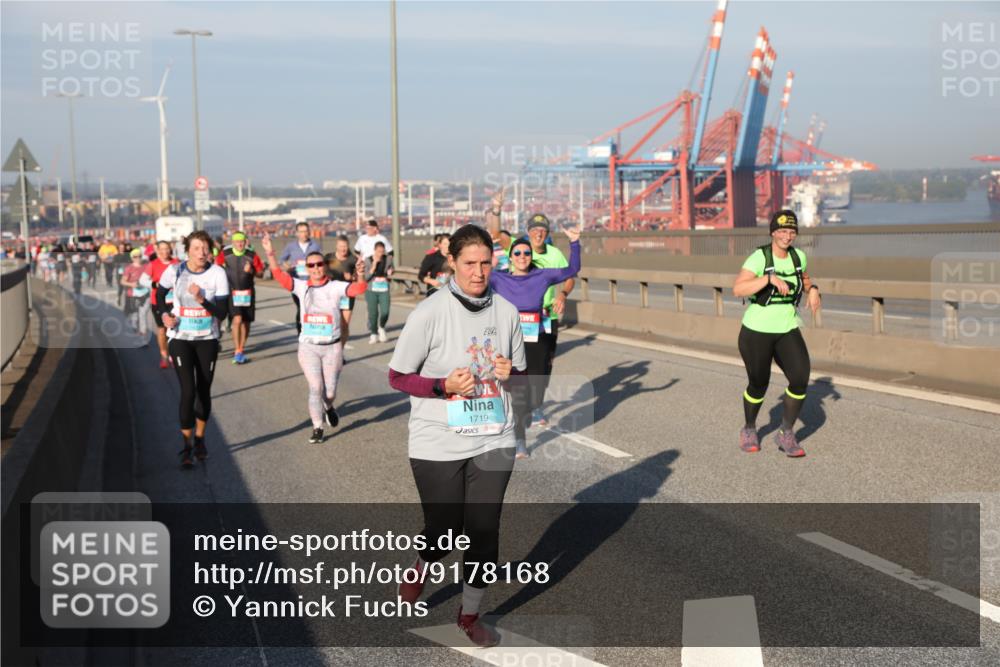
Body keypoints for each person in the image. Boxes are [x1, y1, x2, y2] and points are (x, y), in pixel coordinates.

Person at [387, 223, 525, 648]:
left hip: (492, 434)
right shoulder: (430, 312)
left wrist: (512, 373)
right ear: (451, 261)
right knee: (445, 530)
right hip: (438, 437)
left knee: (484, 528)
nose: (479, 272)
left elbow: (521, 378)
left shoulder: (507, 312)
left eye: (486, 263)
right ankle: (421, 566)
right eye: (470, 263)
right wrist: (442, 385)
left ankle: (468, 614)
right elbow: (397, 376)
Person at [261, 232, 368, 443]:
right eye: (311, 265)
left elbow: (359, 288)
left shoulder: (335, 287)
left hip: (332, 347)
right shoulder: (302, 287)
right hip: (308, 347)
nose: (316, 268)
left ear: (325, 266)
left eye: (319, 264)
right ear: (307, 268)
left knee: (329, 392)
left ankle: (329, 406)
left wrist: (362, 273)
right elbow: (278, 275)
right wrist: (270, 253)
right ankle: (317, 427)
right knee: (315, 387)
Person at [732, 209, 822, 458]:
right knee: (759, 383)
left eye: (792, 231)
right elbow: (738, 289)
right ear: (773, 232)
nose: (787, 236)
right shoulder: (759, 257)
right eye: (782, 231)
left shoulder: (798, 256)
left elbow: (803, 279)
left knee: (800, 377)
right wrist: (767, 280)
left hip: (787, 328)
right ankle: (749, 428)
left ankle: (786, 432)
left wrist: (813, 289)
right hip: (756, 331)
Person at [489, 226, 581, 458]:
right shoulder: (498, 278)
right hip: (510, 341)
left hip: (536, 337)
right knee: (518, 390)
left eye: (526, 253)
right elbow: (473, 274)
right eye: (517, 253)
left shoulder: (542, 276)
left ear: (532, 257)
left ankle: (532, 408)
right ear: (510, 257)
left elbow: (573, 269)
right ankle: (519, 440)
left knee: (537, 386)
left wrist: (575, 243)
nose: (522, 257)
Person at [155, 231, 230, 469]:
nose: (202, 253)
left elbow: (222, 313)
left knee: (203, 390)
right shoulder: (176, 271)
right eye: (196, 248)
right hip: (180, 338)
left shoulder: (218, 273)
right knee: (188, 392)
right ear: (187, 250)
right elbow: (158, 294)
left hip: (207, 339)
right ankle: (186, 446)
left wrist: (201, 300)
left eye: (205, 248)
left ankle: (200, 439)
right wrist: (164, 315)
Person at [522, 211, 575, 427]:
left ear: (547, 233)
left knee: (545, 364)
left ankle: (536, 405)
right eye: (534, 230)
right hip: (525, 316)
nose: (538, 234)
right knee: (525, 362)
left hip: (547, 315)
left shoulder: (554, 255)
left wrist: (562, 294)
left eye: (542, 230)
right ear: (528, 232)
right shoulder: (520, 252)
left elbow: (570, 277)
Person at [216, 231, 264, 364]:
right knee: (237, 320)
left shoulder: (252, 255)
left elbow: (261, 273)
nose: (240, 244)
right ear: (233, 242)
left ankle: (241, 347)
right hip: (232, 292)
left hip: (248, 293)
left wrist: (252, 271)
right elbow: (216, 268)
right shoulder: (225, 254)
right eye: (237, 241)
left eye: (242, 241)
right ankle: (237, 350)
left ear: (245, 242)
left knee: (246, 323)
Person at [278, 222, 323, 334]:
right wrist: (286, 266)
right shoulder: (291, 246)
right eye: (301, 231)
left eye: (306, 231)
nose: (304, 234)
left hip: (313, 282)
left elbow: (321, 260)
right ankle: (301, 332)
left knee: (312, 308)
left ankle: (313, 330)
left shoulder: (315, 245)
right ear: (297, 233)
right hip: (297, 282)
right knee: (301, 307)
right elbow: (281, 259)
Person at [146, 241, 180, 369]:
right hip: (158, 302)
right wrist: (154, 285)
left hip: (175, 301)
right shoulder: (153, 264)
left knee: (176, 327)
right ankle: (164, 356)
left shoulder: (176, 263)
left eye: (167, 249)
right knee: (162, 329)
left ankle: (175, 354)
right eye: (162, 249)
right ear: (158, 251)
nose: (165, 252)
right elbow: (143, 280)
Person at [324, 235, 358, 345]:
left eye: (345, 246)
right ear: (336, 246)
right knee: (333, 323)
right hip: (331, 295)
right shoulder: (329, 258)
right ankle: (331, 346)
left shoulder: (353, 260)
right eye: (341, 246)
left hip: (347, 296)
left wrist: (352, 278)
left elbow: (359, 278)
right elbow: (321, 271)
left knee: (344, 325)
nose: (343, 249)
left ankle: (339, 351)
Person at [363, 241, 393, 344]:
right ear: (374, 250)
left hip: (384, 288)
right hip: (371, 289)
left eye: (382, 251)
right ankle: (374, 333)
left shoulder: (388, 259)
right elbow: (366, 277)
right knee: (373, 313)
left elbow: (391, 269)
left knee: (385, 311)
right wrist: (374, 265)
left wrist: (391, 271)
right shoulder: (368, 260)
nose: (381, 253)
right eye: (379, 251)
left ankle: (382, 327)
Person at [121, 248, 151, 341]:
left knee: (142, 313)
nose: (137, 258)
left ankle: (143, 334)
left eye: (139, 256)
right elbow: (122, 281)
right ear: (132, 258)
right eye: (135, 257)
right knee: (134, 315)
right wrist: (132, 284)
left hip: (145, 293)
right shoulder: (129, 268)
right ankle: (135, 328)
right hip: (133, 294)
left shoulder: (146, 266)